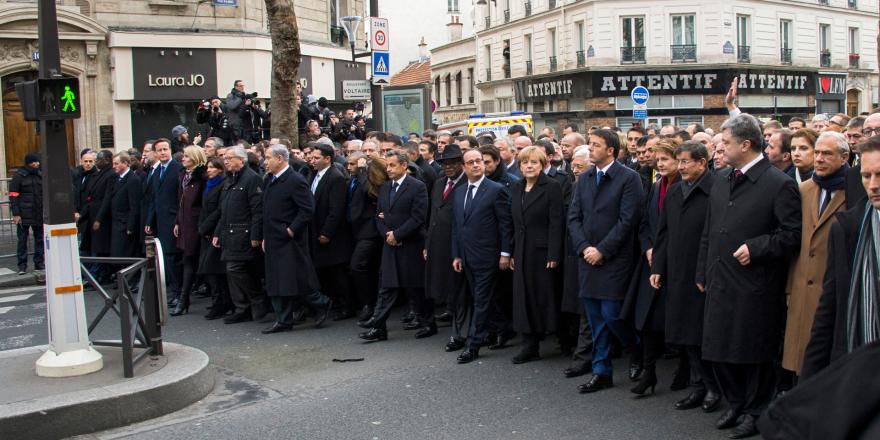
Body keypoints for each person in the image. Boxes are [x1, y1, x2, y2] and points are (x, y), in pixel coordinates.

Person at [695, 113, 801, 439]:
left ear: (745, 144)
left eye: (725, 143)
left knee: (753, 352)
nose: (719, 148)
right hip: (719, 279)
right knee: (718, 349)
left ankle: (756, 411)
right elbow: (709, 232)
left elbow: (792, 234)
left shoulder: (779, 184)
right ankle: (737, 402)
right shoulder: (721, 179)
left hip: (756, 284)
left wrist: (757, 248)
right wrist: (702, 269)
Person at [567, 128, 643, 394]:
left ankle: (637, 352)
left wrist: (602, 250)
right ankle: (602, 370)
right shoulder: (584, 178)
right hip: (587, 260)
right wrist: (584, 247)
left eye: (595, 145)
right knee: (595, 318)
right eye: (589, 144)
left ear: (610, 150)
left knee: (613, 316)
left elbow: (627, 221)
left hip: (614, 260)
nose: (590, 148)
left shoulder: (628, 178)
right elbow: (573, 217)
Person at [650, 141, 721, 412]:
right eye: (678, 162)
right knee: (685, 336)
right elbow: (663, 233)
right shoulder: (675, 191)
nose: (680, 167)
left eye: (685, 162)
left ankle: (714, 387)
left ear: (702, 162)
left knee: (703, 335)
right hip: (677, 272)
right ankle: (699, 385)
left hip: (703, 273)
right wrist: (657, 266)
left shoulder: (716, 188)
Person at [801, 136, 880, 380]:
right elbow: (830, 303)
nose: (873, 185)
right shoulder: (848, 228)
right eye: (866, 176)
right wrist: (809, 380)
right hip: (860, 362)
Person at [783, 131, 850, 377]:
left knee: (830, 365)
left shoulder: (854, 191)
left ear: (844, 158)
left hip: (833, 287)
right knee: (801, 363)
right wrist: (790, 287)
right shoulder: (804, 190)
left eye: (827, 154)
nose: (819, 159)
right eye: (818, 153)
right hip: (802, 287)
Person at [626, 138, 680, 396]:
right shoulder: (656, 186)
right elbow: (645, 223)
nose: (660, 164)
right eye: (658, 160)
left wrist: (661, 254)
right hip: (651, 262)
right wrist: (648, 248)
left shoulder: (683, 186)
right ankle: (649, 372)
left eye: (665, 159)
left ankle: (685, 370)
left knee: (675, 321)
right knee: (646, 319)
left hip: (674, 264)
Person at [450, 149, 513, 364]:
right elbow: (458, 226)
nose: (477, 165)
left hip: (489, 255)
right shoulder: (459, 192)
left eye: (479, 161)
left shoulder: (496, 190)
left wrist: (505, 253)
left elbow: (505, 224)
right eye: (471, 162)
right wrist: (457, 254)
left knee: (482, 300)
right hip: (467, 256)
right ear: (464, 167)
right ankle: (504, 328)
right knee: (483, 298)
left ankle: (473, 345)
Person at [358, 151, 429, 342]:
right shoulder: (385, 188)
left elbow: (418, 217)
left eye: (392, 165)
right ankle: (378, 327)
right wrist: (388, 234)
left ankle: (428, 322)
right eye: (387, 165)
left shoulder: (417, 187)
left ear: (404, 165)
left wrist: (397, 234)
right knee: (387, 286)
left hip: (411, 244)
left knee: (416, 288)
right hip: (390, 245)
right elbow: (379, 215)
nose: (388, 169)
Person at [261, 145, 332, 333]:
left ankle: (321, 302)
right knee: (276, 281)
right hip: (273, 237)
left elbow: (307, 209)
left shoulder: (294, 180)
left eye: (268, 158)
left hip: (289, 239)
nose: (264, 161)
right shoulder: (270, 179)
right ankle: (283, 320)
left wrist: (291, 230)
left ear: (280, 158)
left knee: (297, 280)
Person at [509, 146, 564, 364]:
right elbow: (514, 223)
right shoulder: (517, 187)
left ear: (542, 165)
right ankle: (529, 345)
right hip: (522, 251)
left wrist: (554, 253)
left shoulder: (552, 187)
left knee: (545, 297)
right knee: (523, 297)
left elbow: (557, 222)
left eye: (534, 162)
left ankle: (560, 339)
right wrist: (513, 251)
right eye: (525, 162)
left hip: (543, 252)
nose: (529, 166)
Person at [213, 146, 268, 324]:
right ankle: (242, 307)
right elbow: (224, 209)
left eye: (230, 158)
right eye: (225, 158)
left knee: (235, 269)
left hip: (243, 233)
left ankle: (256, 300)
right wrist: (217, 232)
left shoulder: (252, 179)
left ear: (241, 160)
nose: (226, 161)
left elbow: (258, 210)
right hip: (229, 233)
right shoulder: (229, 179)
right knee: (234, 271)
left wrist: (255, 235)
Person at [424, 144, 469, 350]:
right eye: (444, 163)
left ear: (462, 164)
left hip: (459, 247)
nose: (448, 167)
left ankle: (458, 334)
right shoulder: (439, 182)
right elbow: (432, 214)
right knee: (447, 289)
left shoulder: (468, 184)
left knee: (460, 292)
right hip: (438, 245)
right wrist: (428, 243)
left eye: (453, 163)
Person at [308, 143, 355, 320]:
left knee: (338, 272)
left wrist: (326, 232)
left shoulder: (335, 177)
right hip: (317, 230)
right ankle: (334, 303)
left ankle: (346, 306)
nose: (312, 161)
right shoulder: (316, 175)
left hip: (333, 236)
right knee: (327, 272)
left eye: (316, 158)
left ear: (327, 159)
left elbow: (336, 209)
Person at [145, 139, 184, 306]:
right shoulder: (156, 172)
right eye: (159, 150)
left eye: (165, 149)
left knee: (173, 257)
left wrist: (178, 220)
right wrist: (149, 220)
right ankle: (175, 290)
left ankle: (179, 292)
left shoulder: (177, 169)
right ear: (155, 153)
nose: (163, 152)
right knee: (167, 257)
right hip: (161, 220)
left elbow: (181, 197)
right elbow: (154, 198)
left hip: (174, 219)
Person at [170, 146, 207, 316]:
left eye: (186, 156)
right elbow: (180, 201)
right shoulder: (183, 176)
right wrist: (178, 222)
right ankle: (184, 299)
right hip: (185, 223)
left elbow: (204, 204)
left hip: (196, 224)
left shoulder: (202, 176)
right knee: (188, 260)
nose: (183, 159)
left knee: (192, 260)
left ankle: (184, 299)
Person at [199, 157, 234, 320]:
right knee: (209, 269)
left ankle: (222, 301)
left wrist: (209, 228)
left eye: (212, 167)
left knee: (215, 269)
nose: (209, 170)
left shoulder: (223, 184)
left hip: (216, 230)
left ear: (220, 170)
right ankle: (218, 300)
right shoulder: (208, 184)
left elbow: (220, 210)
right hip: (206, 231)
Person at [99, 152, 142, 260]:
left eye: (116, 164)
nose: (113, 167)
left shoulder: (133, 179)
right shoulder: (118, 178)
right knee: (117, 255)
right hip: (116, 223)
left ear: (126, 163)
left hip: (125, 225)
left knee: (124, 255)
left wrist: (130, 227)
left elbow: (134, 206)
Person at [10, 153, 44, 274]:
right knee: (22, 240)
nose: (38, 164)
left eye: (38, 162)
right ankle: (22, 266)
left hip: (38, 214)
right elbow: (13, 196)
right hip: (23, 215)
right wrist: (16, 213)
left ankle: (39, 263)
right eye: (35, 162)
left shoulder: (40, 175)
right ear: (30, 163)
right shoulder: (19, 176)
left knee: (40, 239)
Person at [86, 150, 115, 282]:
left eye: (99, 159)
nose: (96, 162)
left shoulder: (110, 174)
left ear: (108, 160)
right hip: (93, 213)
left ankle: (101, 274)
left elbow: (107, 198)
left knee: (102, 247)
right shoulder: (98, 174)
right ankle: (99, 273)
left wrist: (99, 218)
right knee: (97, 246)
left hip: (102, 217)